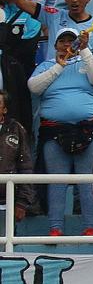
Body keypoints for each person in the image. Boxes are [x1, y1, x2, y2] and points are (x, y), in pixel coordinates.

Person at [28, 28, 93, 237]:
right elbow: (34, 87)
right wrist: (59, 67)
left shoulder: (86, 62)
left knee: (87, 179)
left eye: (72, 41)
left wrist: (85, 49)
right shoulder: (46, 66)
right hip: (54, 131)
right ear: (55, 45)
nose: (67, 45)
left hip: (88, 128)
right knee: (56, 180)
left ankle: (90, 227)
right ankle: (55, 228)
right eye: (62, 41)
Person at [0, 90, 35, 223]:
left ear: (5, 109)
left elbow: (25, 167)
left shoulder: (16, 129)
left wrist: (22, 202)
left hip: (8, 202)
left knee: (6, 243)